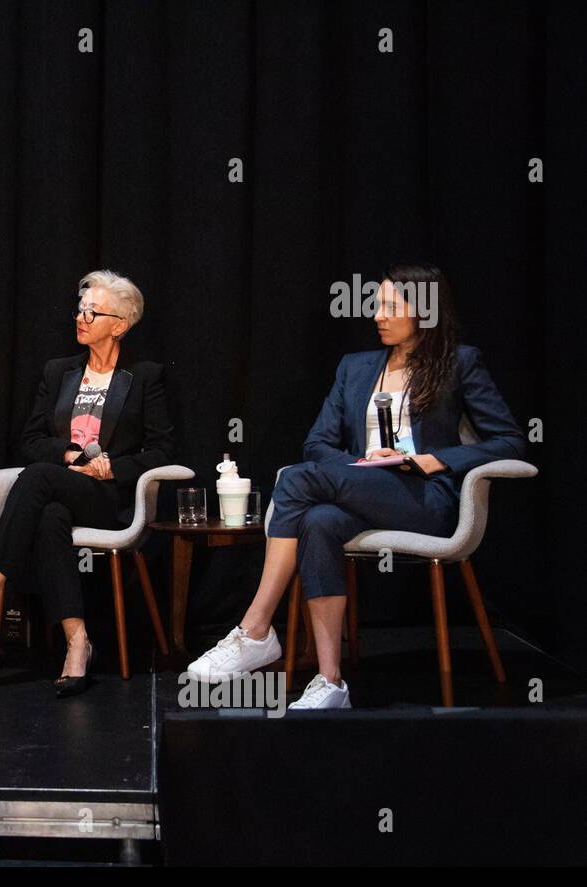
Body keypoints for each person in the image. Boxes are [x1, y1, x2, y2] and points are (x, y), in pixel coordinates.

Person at [186, 264, 526, 708]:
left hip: (424, 499)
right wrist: (363, 465)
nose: (377, 315)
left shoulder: (460, 363)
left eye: (390, 306)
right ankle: (331, 682)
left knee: (292, 480)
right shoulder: (356, 367)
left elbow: (512, 442)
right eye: (376, 305)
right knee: (321, 521)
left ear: (424, 310)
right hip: (365, 485)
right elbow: (318, 443)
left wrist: (428, 459)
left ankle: (256, 627)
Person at [0, 270, 175, 697]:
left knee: (39, 479)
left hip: (108, 499)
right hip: (60, 488)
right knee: (50, 514)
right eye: (80, 309)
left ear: (120, 325)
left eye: (94, 311)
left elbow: (163, 451)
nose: (82, 318)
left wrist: (113, 467)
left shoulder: (144, 377)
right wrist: (69, 455)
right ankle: (78, 641)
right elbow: (31, 440)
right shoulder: (59, 372)